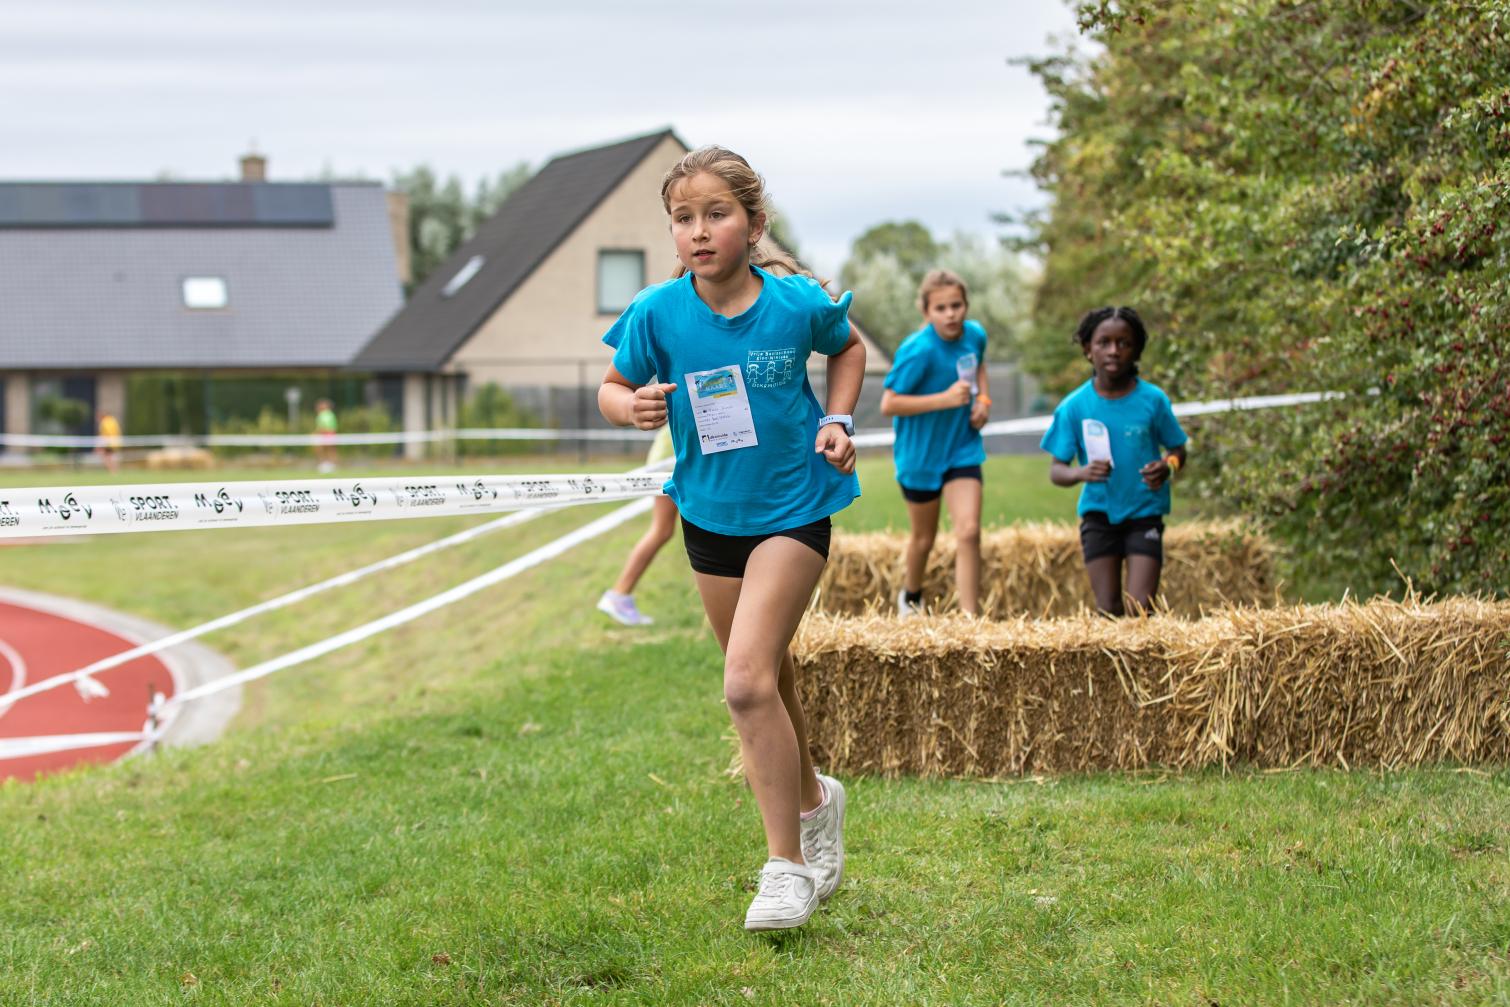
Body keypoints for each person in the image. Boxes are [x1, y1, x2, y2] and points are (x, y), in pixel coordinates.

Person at [598, 145, 863, 932]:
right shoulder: (656, 313)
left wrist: (839, 419)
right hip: (710, 518)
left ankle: (785, 868)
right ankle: (816, 802)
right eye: (683, 218)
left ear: (754, 223)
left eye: (716, 214)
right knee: (770, 678)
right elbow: (612, 385)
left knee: (744, 683)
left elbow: (848, 347)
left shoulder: (794, 303)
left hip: (793, 509)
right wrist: (631, 407)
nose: (699, 231)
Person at [1040, 306, 1188, 615]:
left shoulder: (1153, 400)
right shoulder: (1074, 406)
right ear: (1088, 349)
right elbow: (1057, 471)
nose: (1114, 351)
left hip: (1145, 512)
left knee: (1140, 608)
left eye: (1124, 343)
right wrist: (1081, 473)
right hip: (1099, 516)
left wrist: (1168, 466)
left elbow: (1178, 449)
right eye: (1104, 342)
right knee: (1108, 609)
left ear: (1137, 351)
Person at [880, 270, 991, 618]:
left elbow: (979, 367)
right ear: (926, 312)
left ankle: (969, 619)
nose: (951, 314)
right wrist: (944, 399)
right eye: (941, 308)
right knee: (923, 539)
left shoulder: (975, 335)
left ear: (966, 305)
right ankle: (911, 597)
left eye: (957, 305)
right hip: (920, 458)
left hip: (962, 447)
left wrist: (983, 400)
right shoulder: (918, 351)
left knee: (969, 531)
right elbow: (889, 404)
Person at [597, 425, 679, 626]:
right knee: (662, 530)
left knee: (663, 530)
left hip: (672, 456)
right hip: (670, 460)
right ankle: (619, 595)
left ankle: (619, 595)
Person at [314, 398, 338, 473]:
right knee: (322, 449)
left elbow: (329, 427)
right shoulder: (322, 414)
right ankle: (324, 464)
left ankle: (331, 464)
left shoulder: (327, 414)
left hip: (327, 434)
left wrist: (321, 432)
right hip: (324, 434)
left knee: (330, 449)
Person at [95, 409, 122, 474]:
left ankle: (112, 471)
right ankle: (114, 471)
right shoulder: (113, 420)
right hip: (115, 442)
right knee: (111, 456)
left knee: (105, 457)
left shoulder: (104, 422)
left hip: (108, 443)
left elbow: (105, 434)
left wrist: (99, 445)